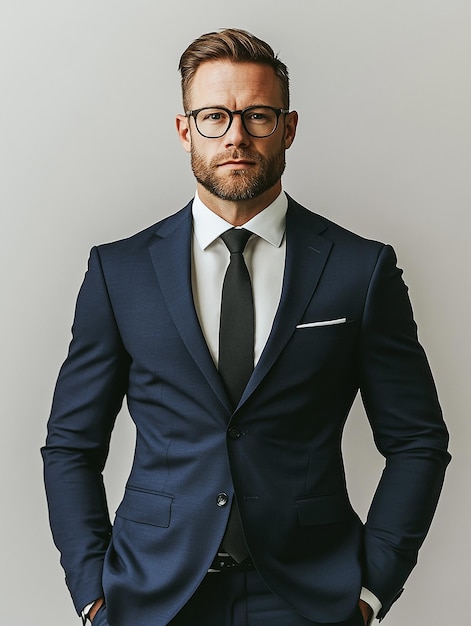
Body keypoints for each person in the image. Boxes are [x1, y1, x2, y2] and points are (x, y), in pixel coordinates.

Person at [42, 28, 450, 626]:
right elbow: (71, 445)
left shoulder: (361, 270)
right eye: (214, 116)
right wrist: (91, 594)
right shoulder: (119, 271)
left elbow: (417, 440)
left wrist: (371, 593)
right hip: (152, 596)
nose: (235, 136)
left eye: (258, 115)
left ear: (288, 127)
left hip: (310, 596)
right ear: (186, 130)